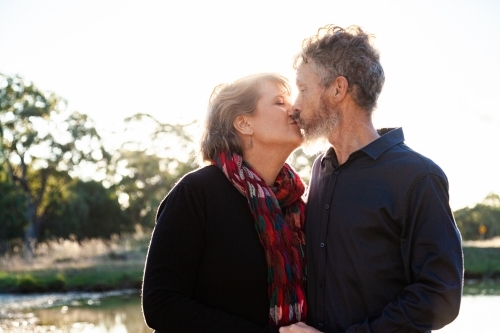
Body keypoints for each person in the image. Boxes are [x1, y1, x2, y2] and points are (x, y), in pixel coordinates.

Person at [280, 25, 463, 333]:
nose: (295, 104)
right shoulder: (320, 169)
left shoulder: (419, 177)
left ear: (338, 89)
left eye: (303, 88)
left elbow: (440, 295)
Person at [142, 73, 308, 333]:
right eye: (279, 102)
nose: (295, 109)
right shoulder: (196, 193)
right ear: (244, 123)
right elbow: (161, 304)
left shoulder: (295, 203)